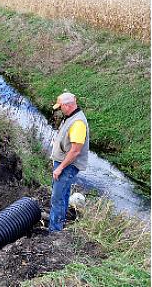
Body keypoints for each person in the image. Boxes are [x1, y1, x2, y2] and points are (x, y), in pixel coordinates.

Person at [49, 92, 90, 232]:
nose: (60, 109)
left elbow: (75, 151)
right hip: (62, 162)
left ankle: (55, 231)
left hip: (67, 165)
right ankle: (60, 222)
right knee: (64, 193)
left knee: (57, 198)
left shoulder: (78, 123)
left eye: (60, 107)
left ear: (67, 105)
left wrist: (60, 168)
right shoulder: (70, 117)